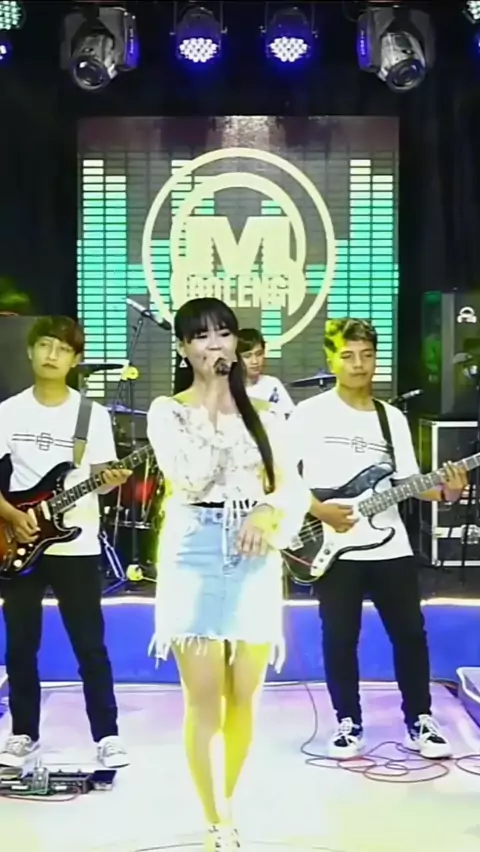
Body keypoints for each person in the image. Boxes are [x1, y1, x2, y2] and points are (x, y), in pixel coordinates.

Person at [147, 298, 309, 851]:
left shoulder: (266, 413)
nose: (214, 344)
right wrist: (217, 400)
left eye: (223, 333)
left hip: (254, 551)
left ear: (236, 342)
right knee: (205, 696)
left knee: (245, 694)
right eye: (201, 336)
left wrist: (267, 509)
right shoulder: (168, 411)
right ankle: (217, 817)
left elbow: (293, 487)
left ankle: (229, 799)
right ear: (183, 348)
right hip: (193, 546)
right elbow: (190, 476)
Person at [288, 318, 467, 760]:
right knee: (340, 637)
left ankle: (420, 720)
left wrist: (447, 491)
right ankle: (348, 722)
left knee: (410, 633)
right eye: (348, 356)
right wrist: (320, 511)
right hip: (333, 544)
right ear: (331, 359)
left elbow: (407, 482)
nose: (358, 364)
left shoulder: (392, 419)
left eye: (366, 355)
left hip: (390, 546)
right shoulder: (309, 414)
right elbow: (280, 478)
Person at [0, 316, 131, 769]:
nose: (52, 355)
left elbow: (102, 479)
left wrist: (110, 479)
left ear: (75, 360)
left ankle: (107, 735)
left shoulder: (91, 415)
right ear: (30, 350)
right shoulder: (8, 411)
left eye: (62, 349)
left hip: (76, 544)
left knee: (90, 645)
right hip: (18, 540)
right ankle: (23, 733)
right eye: (45, 345)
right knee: (20, 645)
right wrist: (12, 517)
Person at [237, 328, 295, 418]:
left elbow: (292, 415)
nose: (255, 361)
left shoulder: (273, 383)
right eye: (247, 356)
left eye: (259, 354)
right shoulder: (228, 389)